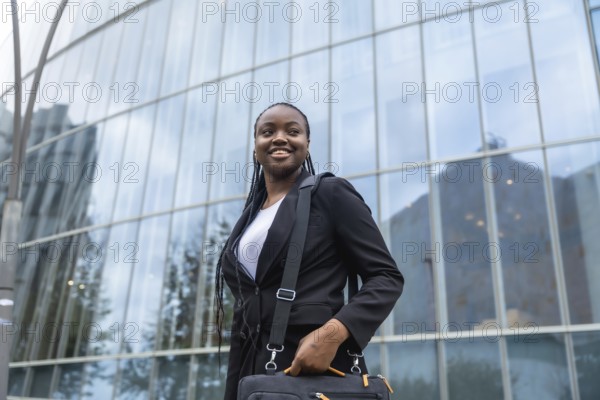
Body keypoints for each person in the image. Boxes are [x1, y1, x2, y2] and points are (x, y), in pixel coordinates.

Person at [214, 102, 404, 400]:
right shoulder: (248, 220)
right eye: (268, 132)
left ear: (307, 144)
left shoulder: (330, 194)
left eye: (293, 131)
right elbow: (244, 315)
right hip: (254, 376)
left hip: (315, 368)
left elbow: (386, 277)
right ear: (255, 148)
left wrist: (333, 334)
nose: (279, 138)